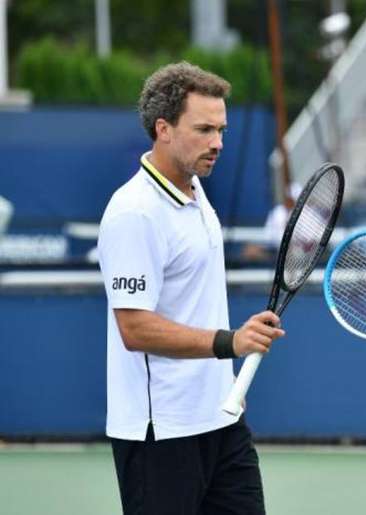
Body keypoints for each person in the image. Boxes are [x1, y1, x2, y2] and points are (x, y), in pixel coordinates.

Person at [97, 62, 284, 515]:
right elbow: (135, 329)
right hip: (159, 432)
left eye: (221, 129)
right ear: (163, 128)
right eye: (203, 129)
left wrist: (240, 331)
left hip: (221, 420)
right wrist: (229, 341)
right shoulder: (133, 213)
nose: (218, 142)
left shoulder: (198, 194)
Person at [241, 182, 302, 262]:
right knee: (249, 250)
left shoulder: (303, 214)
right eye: (289, 197)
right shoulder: (277, 211)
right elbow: (269, 236)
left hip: (291, 251)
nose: (290, 200)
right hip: (274, 248)